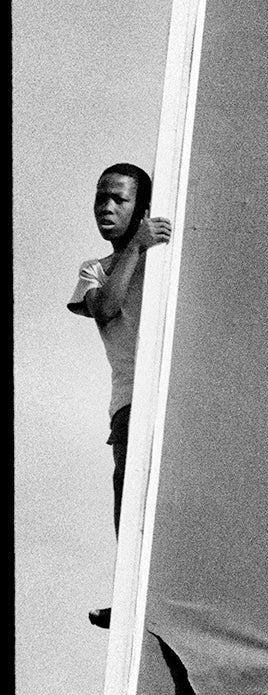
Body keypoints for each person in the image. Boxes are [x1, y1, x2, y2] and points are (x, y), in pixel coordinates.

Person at [68, 164, 171, 626]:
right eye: (100, 198)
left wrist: (150, 243)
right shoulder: (97, 269)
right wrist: (137, 245)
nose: (106, 207)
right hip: (130, 400)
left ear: (141, 208)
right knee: (128, 493)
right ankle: (130, 590)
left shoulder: (165, 255)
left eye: (120, 200)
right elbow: (106, 308)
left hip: (174, 389)